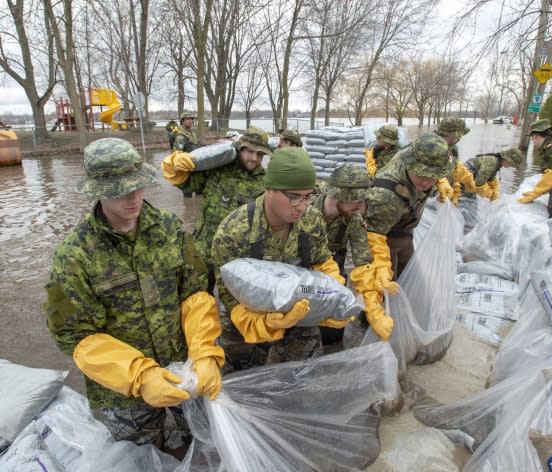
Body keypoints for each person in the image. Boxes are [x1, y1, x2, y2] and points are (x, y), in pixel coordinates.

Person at [44, 138, 224, 453]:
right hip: (121, 394)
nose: (134, 196)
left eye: (138, 185)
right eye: (120, 190)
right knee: (138, 457)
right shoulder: (74, 255)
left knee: (201, 446)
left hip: (184, 370)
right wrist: (139, 376)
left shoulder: (169, 229)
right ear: (97, 191)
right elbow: (76, 336)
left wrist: (205, 352)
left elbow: (195, 294)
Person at [211, 147, 351, 372]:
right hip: (249, 314)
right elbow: (227, 292)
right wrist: (259, 323)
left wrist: (332, 296)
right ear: (269, 189)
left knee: (304, 373)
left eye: (308, 196)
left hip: (299, 308)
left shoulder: (311, 220)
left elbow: (321, 262)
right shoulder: (234, 230)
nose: (303, 206)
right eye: (294, 197)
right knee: (239, 378)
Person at [161, 127, 270, 291]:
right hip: (204, 249)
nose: (254, 158)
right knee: (198, 298)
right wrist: (176, 167)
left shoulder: (265, 182)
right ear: (240, 148)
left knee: (235, 303)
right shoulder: (217, 169)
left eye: (260, 154)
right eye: (250, 151)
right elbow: (189, 185)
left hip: (237, 256)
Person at [314, 163, 394, 341]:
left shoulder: (353, 219)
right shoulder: (305, 212)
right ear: (338, 196)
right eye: (356, 200)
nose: (360, 206)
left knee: (333, 328)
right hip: (304, 275)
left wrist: (373, 308)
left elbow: (363, 261)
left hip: (335, 273)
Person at [365, 132, 452, 281]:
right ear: (409, 165)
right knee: (386, 286)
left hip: (406, 232)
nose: (426, 182)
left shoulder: (415, 153)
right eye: (421, 175)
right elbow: (374, 235)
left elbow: (437, 166)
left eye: (433, 176)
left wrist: (441, 181)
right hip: (386, 239)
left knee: (409, 281)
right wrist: (380, 265)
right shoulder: (385, 195)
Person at [434, 117, 476, 204]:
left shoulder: (452, 147)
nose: (460, 138)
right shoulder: (431, 146)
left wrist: (457, 191)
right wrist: (440, 181)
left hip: (445, 190)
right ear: (453, 135)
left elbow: (454, 168)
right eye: (460, 135)